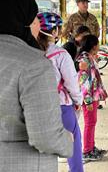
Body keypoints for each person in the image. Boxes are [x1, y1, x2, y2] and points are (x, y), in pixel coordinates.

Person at [0, 0, 72, 172]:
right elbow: (46, 136)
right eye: (35, 18)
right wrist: (67, 140)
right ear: (23, 20)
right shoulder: (34, 65)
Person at [36, 12, 84, 172]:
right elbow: (71, 83)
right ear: (55, 31)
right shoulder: (60, 54)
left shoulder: (28, 52)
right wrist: (78, 101)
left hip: (34, 109)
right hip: (61, 108)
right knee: (73, 146)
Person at [77, 34, 108, 161]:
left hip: (93, 96)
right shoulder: (84, 60)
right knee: (89, 123)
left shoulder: (89, 57)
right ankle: (87, 151)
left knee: (92, 122)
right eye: (98, 44)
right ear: (94, 46)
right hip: (88, 98)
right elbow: (83, 82)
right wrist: (88, 100)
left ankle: (91, 146)